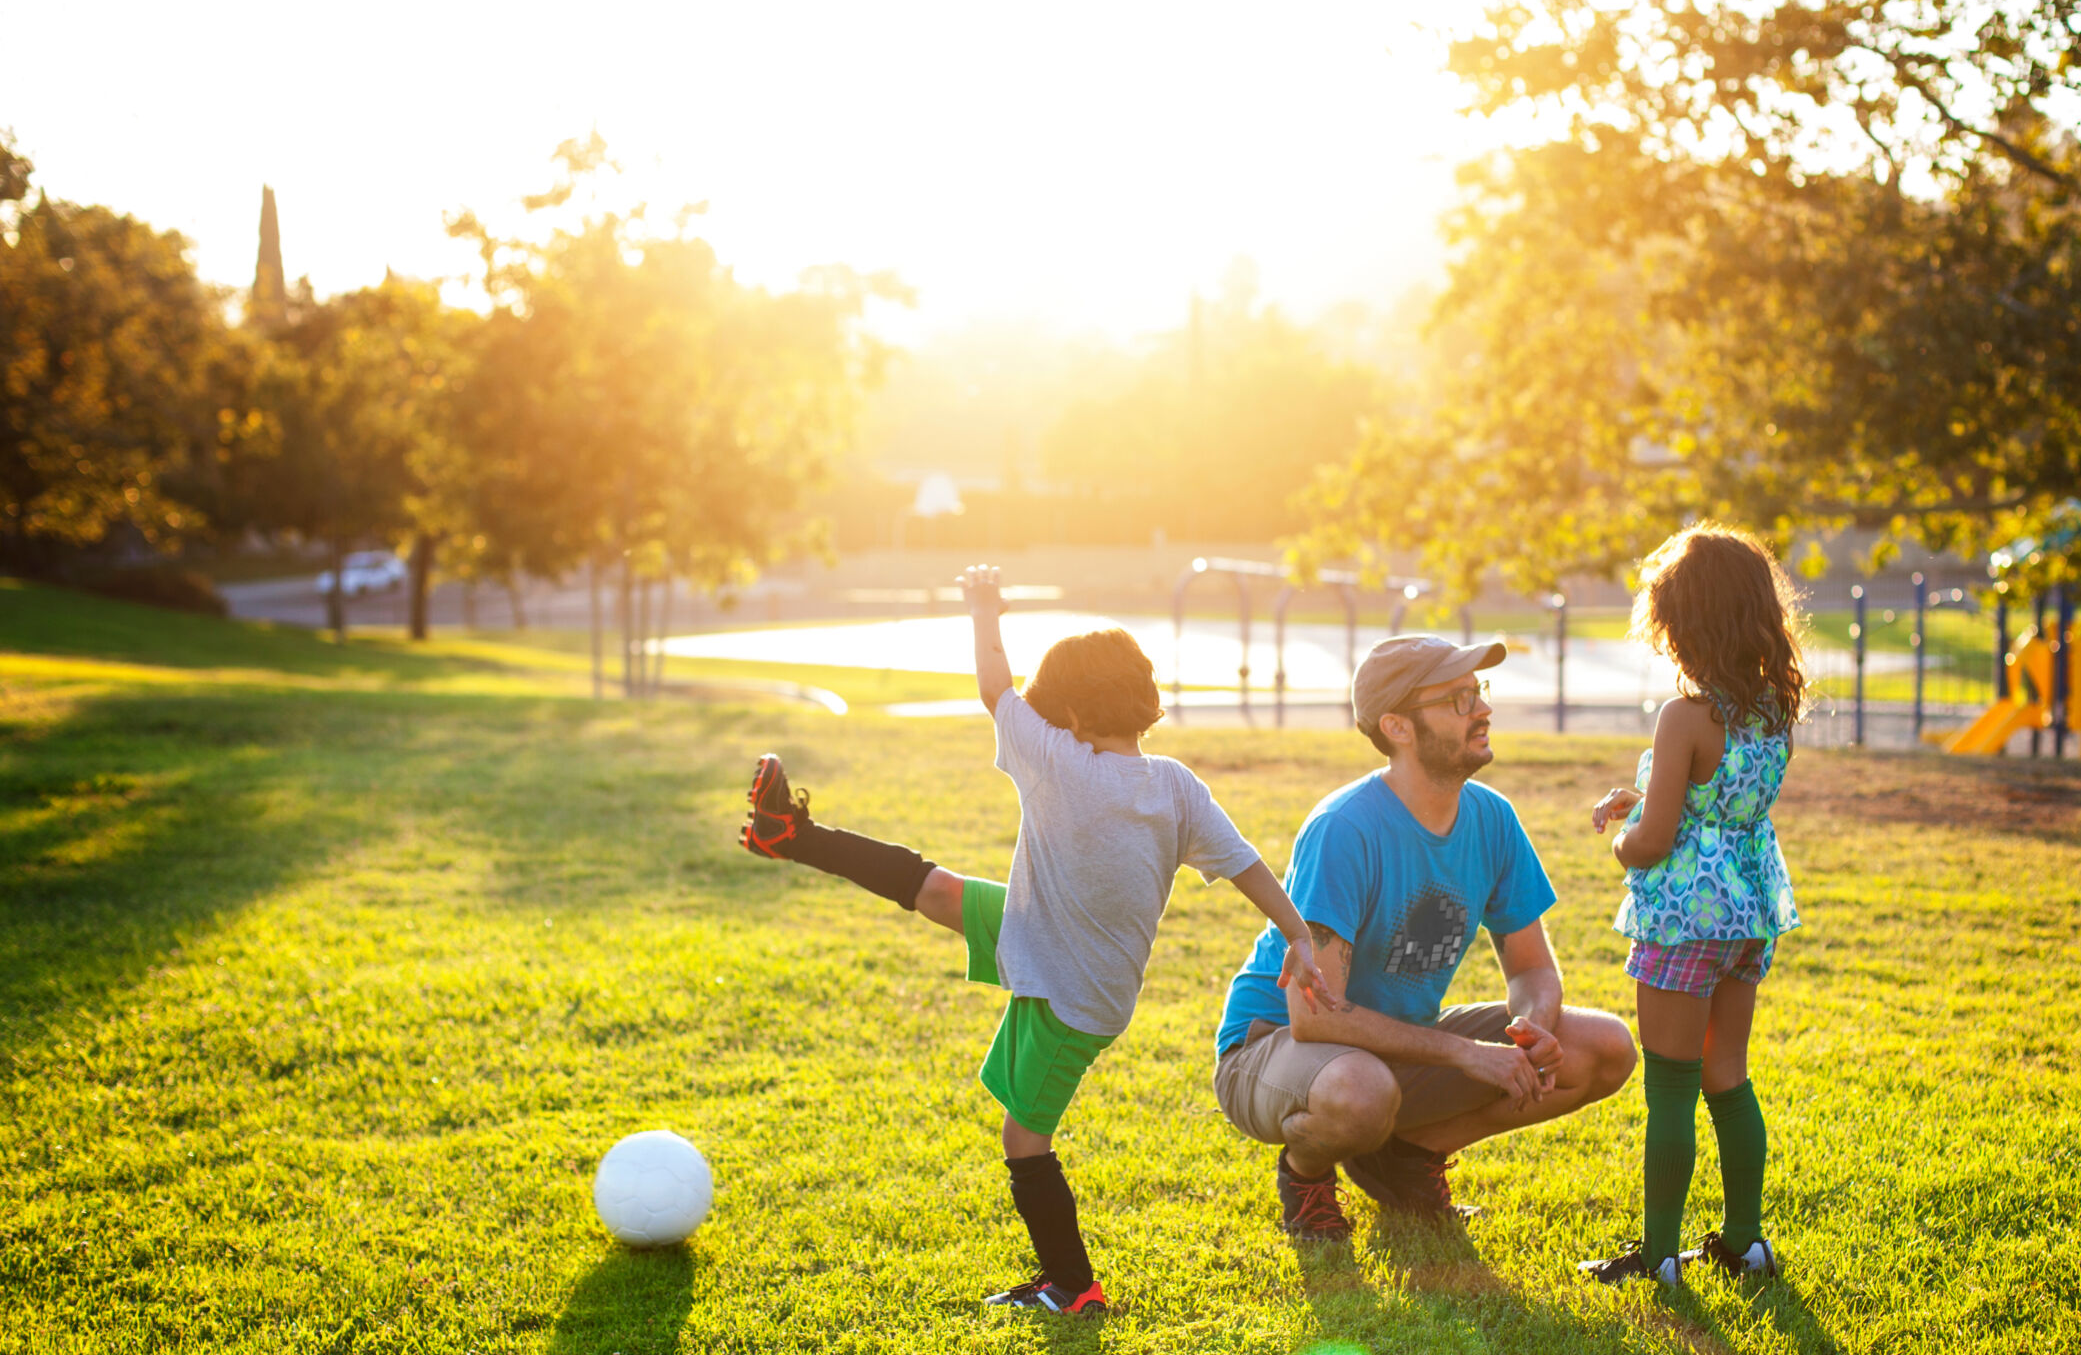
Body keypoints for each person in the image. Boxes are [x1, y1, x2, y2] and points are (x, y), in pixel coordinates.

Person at [738, 566, 1329, 1314]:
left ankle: (1074, 1288)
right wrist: (1298, 936)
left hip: (1074, 997)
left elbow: (995, 685)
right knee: (935, 888)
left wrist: (984, 609)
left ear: (1074, 720)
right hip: (1042, 930)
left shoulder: (1056, 761)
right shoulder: (1176, 785)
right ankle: (792, 834)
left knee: (1025, 1140)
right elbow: (1246, 865)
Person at [1211, 633, 1639, 1243]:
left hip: (1393, 1050)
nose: (1483, 710)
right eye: (1459, 699)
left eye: (1479, 692)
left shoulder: (1492, 818)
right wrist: (1466, 1053)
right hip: (1272, 1046)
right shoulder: (1344, 828)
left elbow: (1530, 970)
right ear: (1398, 726)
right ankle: (1306, 1175)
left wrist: (1534, 1028)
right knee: (1360, 1089)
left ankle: (1406, 1160)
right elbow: (1314, 1018)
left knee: (1603, 1047)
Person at [1579, 526, 1803, 1286]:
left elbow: (1660, 838)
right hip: (1749, 914)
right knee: (1727, 1074)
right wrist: (1641, 795)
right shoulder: (1773, 709)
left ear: (1686, 625)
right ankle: (1747, 1242)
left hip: (1685, 918)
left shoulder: (1683, 716)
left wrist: (1622, 842)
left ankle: (1659, 1256)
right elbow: (1722, 801)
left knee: (1670, 1083)